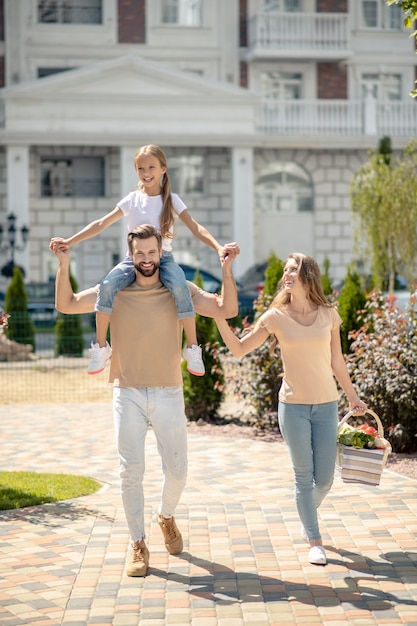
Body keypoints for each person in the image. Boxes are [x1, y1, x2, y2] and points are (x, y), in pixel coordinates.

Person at [50, 224, 239, 577]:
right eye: (140, 254)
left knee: (178, 471)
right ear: (131, 254)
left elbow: (226, 309)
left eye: (153, 253)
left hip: (168, 390)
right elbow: (67, 304)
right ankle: (137, 542)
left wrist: (226, 269)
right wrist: (64, 264)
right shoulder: (115, 288)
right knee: (130, 472)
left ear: (161, 254)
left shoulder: (178, 288)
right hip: (127, 390)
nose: (147, 260)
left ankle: (165, 516)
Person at [214, 253, 367, 566]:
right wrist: (217, 317)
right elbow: (240, 349)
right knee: (303, 476)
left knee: (324, 480)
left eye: (293, 270)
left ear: (307, 275)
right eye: (285, 270)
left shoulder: (328, 314)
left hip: (326, 406)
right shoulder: (275, 316)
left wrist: (352, 397)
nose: (287, 274)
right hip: (293, 407)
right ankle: (314, 539)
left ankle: (305, 513)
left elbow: (338, 361)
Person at [51, 144, 234, 377]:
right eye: (140, 168)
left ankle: (191, 348)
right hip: (133, 259)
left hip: (163, 259)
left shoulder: (172, 200)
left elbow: (196, 227)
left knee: (180, 286)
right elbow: (101, 223)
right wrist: (70, 241)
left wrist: (218, 247)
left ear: (163, 169)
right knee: (107, 285)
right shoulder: (132, 199)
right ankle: (101, 347)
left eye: (151, 167)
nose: (146, 172)